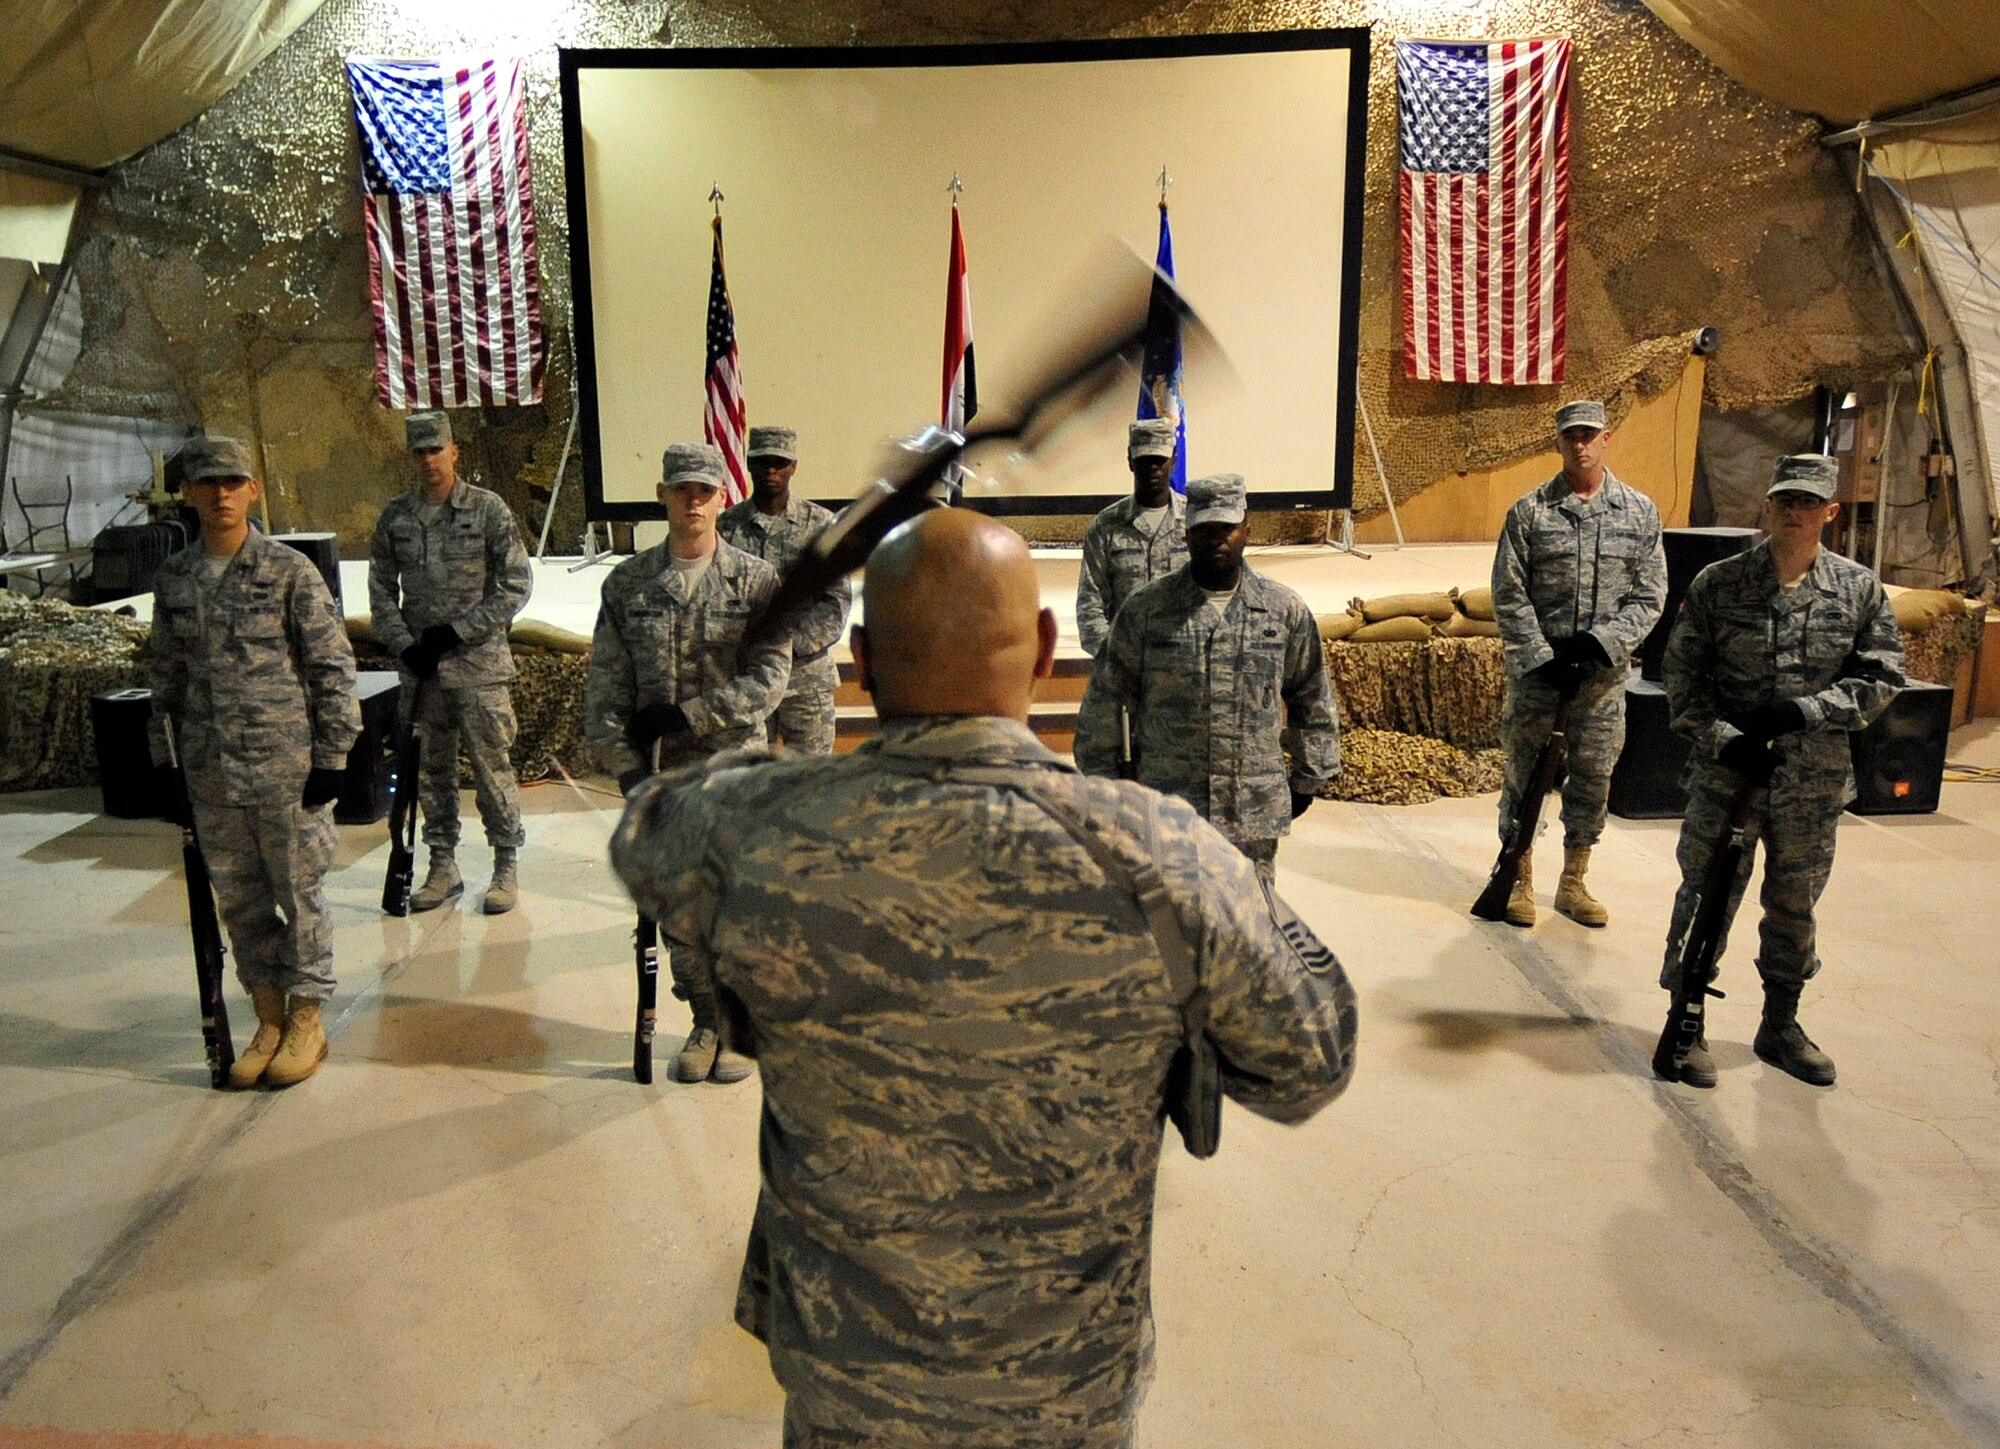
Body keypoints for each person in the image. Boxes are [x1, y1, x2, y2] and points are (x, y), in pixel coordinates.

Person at [609, 508, 1357, 1449]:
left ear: (865, 661)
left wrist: (747, 666)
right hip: (1063, 1394)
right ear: (1046, 648)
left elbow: (646, 828)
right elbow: (1308, 1062)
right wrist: (1230, 885)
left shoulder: (758, 832)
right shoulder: (1161, 852)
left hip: (849, 1390)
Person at [1652, 453, 1904, 1089]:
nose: (1794, 512)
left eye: (1807, 502)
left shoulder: (1858, 589)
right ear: (1768, 506)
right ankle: (1687, 1019)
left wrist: (1807, 710)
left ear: (1830, 511)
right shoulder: (1719, 583)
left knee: (1794, 908)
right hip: (1726, 779)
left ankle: (1781, 1024)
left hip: (1811, 785)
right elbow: (1680, 675)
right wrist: (1723, 739)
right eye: (1783, 500)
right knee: (1705, 899)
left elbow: (1883, 677)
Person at [148, 436, 360, 1088]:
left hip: (285, 770)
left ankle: (306, 1019)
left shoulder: (289, 571)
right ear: (187, 492)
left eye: (233, 481)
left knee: (300, 897)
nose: (220, 494)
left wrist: (332, 755)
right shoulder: (176, 579)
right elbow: (166, 677)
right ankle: (267, 1015)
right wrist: (165, 763)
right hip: (213, 773)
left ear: (253, 490)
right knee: (240, 903)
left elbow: (332, 667)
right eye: (208, 482)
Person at [585, 441, 790, 1085]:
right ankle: (704, 1020)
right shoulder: (627, 585)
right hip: (662, 779)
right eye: (682, 490)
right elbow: (607, 690)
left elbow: (770, 679)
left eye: (706, 490)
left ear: (722, 497)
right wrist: (625, 770)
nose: (694, 501)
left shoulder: (757, 581)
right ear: (663, 495)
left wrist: (690, 715)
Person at [1073, 472, 1339, 882]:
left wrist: (1308, 777)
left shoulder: (1283, 611)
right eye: (1204, 529)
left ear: (1247, 530)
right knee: (1171, 932)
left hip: (1251, 815)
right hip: (1167, 813)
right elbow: (1106, 701)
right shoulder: (1147, 612)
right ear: (1186, 533)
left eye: (1227, 528)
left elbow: (1312, 695)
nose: (1216, 539)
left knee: (1249, 931)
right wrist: (1106, 789)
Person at [1489, 399, 1667, 927]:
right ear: (1559, 442)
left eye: (1589, 434)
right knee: (1525, 777)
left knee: (1593, 778)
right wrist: (1541, 657)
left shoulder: (1638, 512)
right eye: (1571, 436)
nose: (1581, 445)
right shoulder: (1530, 512)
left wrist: (1599, 645)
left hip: (1600, 680)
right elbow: (1508, 590)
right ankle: (1516, 875)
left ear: (1607, 437)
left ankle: (1574, 880)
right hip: (1540, 680)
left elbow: (1650, 594)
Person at [367, 410, 534, 914]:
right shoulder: (396, 516)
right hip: (423, 673)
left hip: (478, 667)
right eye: (419, 451)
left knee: (491, 770)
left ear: (454, 451)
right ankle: (444, 865)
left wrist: (458, 631)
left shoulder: (487, 510)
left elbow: (516, 585)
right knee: (430, 774)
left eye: (436, 449)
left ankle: (505, 863)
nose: (428, 459)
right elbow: (379, 589)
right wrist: (404, 643)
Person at [717, 426, 851, 754]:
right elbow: (715, 598)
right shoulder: (725, 528)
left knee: (811, 784)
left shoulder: (821, 526)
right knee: (744, 783)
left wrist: (785, 644)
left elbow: (835, 603)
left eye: (780, 463)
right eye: (762, 463)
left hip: (805, 680)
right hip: (747, 680)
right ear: (749, 465)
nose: (771, 471)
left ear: (793, 466)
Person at [1074, 417, 1188, 656]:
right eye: (1145, 460)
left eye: (1159, 460)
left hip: (1184, 666)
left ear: (1174, 461)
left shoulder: (1194, 522)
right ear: (1130, 460)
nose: (1153, 468)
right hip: (1124, 668)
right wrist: (1113, 657)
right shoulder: (1106, 526)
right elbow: (1090, 604)